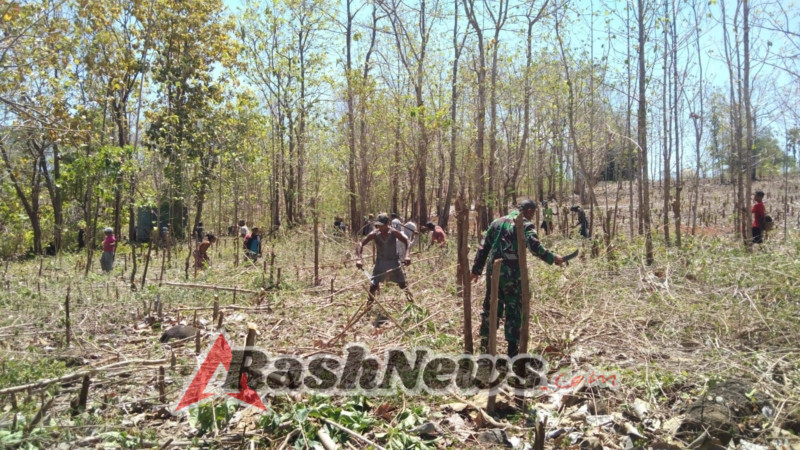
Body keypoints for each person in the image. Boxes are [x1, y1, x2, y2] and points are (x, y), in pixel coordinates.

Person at [470, 199, 564, 357]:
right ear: (529, 210)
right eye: (533, 213)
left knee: (491, 307)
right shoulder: (524, 224)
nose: (532, 216)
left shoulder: (496, 222)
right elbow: (534, 246)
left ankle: (485, 348)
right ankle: (512, 352)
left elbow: (482, 246)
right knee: (513, 310)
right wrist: (553, 257)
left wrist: (476, 270)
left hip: (493, 272)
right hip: (512, 275)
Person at [355, 213, 413, 304]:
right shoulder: (375, 233)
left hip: (393, 262)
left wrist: (407, 256)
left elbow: (407, 242)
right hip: (380, 263)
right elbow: (360, 244)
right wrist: (359, 258)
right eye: (379, 226)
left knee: (402, 285)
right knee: (373, 286)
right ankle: (369, 305)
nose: (380, 228)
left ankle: (412, 304)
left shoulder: (394, 232)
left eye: (382, 226)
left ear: (388, 224)